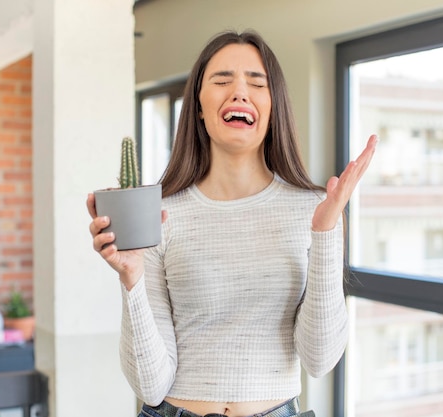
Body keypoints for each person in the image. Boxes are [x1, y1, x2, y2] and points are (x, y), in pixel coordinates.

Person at [87, 29, 377, 417]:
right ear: (199, 107)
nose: (240, 92)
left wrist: (325, 233)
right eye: (222, 80)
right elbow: (150, 384)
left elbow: (320, 360)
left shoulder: (314, 210)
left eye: (257, 83)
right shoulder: (160, 214)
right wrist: (132, 279)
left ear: (273, 107)